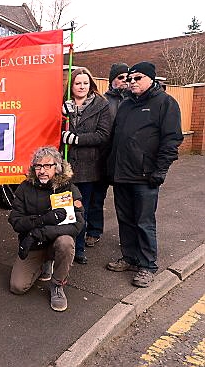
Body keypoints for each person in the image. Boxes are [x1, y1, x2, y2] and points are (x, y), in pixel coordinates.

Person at [107, 61, 183, 288]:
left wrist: (160, 170)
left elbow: (172, 140)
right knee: (125, 219)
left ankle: (147, 265)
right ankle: (130, 257)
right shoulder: (126, 104)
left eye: (137, 78)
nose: (132, 82)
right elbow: (116, 139)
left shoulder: (165, 103)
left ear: (151, 79)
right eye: (129, 79)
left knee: (144, 221)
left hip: (145, 176)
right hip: (122, 175)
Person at [8, 146, 84, 312]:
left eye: (47, 166)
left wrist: (39, 233)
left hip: (51, 240)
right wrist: (41, 221)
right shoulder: (24, 188)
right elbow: (15, 220)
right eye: (38, 166)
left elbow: (77, 225)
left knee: (66, 242)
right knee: (17, 286)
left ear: (56, 167)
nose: (42, 170)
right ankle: (43, 263)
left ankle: (57, 285)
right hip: (33, 245)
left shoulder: (69, 188)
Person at [61, 67, 112, 265]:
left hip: (88, 169)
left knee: (81, 209)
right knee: (63, 209)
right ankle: (64, 248)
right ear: (71, 86)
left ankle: (79, 248)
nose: (81, 86)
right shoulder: (63, 105)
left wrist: (77, 139)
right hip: (64, 168)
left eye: (85, 83)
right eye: (77, 83)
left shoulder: (101, 105)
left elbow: (103, 134)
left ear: (91, 84)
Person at [85, 63, 130, 248]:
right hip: (101, 158)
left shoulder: (133, 101)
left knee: (125, 203)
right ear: (112, 80)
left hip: (123, 161)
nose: (125, 82)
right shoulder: (103, 101)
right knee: (94, 198)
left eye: (128, 78)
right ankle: (93, 231)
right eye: (121, 78)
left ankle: (128, 241)